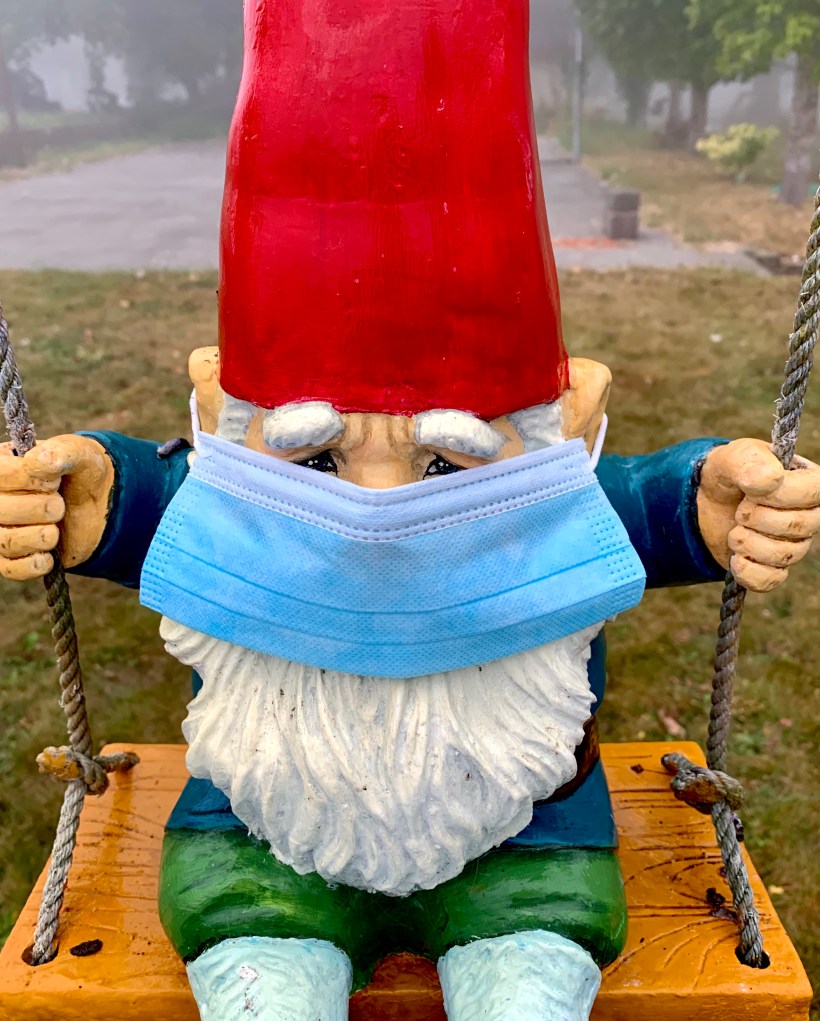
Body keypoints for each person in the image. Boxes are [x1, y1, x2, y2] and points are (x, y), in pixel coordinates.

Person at [1, 1, 818, 1018]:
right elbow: (154, 502)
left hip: (526, 842)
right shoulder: (224, 497)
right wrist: (91, 499)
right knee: (263, 970)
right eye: (315, 458)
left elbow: (641, 510)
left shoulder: (555, 508)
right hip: (260, 840)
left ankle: (518, 947)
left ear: (566, 423)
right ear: (220, 413)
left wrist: (708, 501)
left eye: (443, 463)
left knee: (528, 974)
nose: (374, 515)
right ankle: (269, 947)